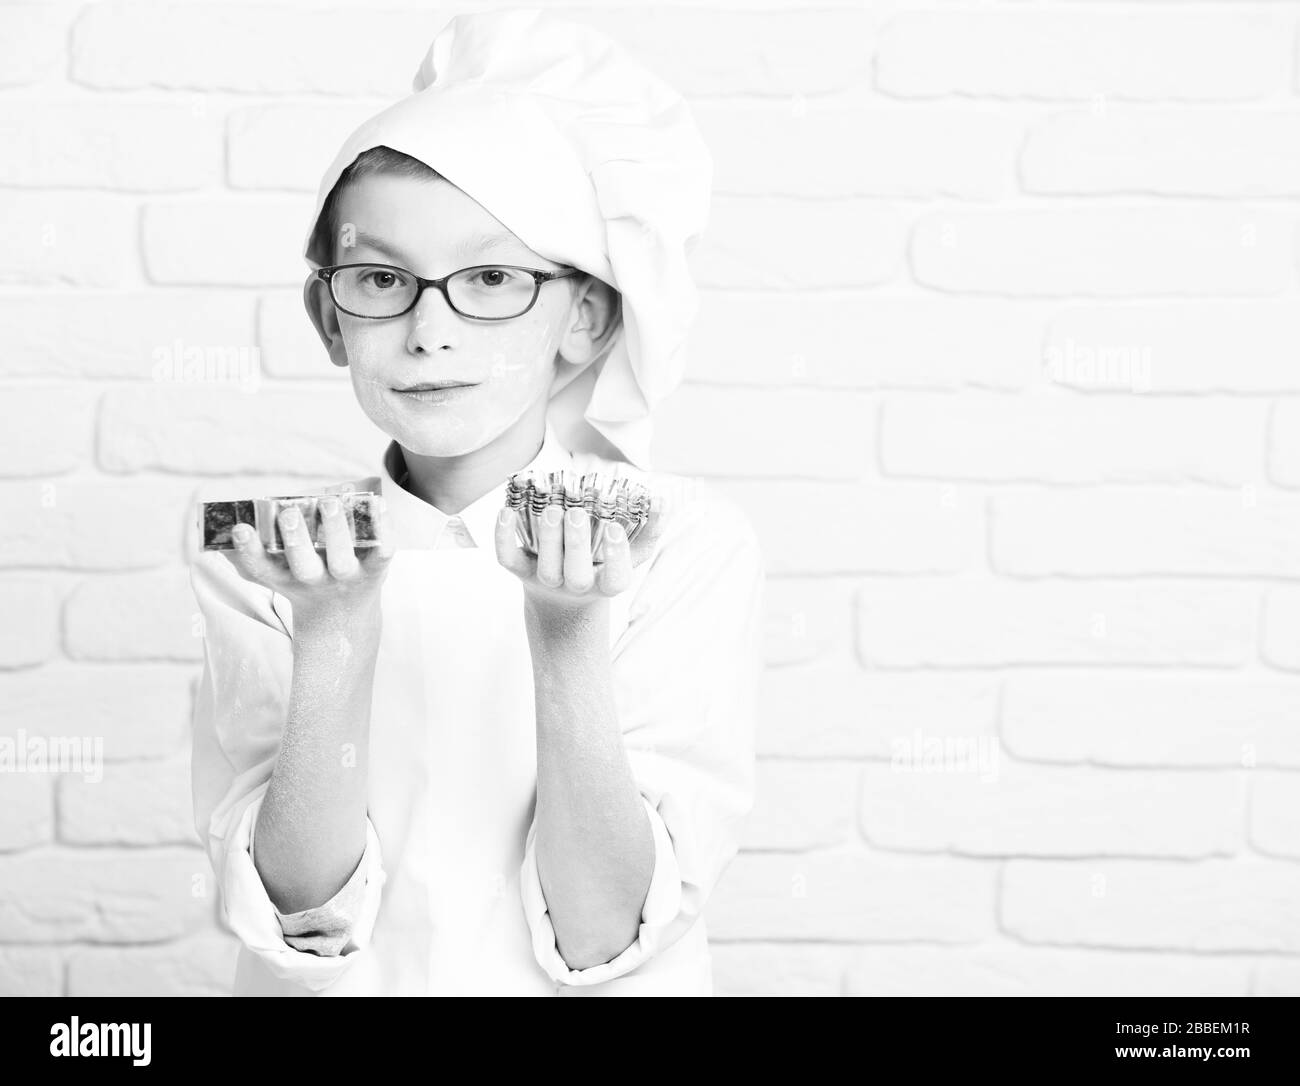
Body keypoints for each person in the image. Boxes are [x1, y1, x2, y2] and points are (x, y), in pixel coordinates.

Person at [189, 7, 765, 996]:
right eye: (380, 279)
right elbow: (303, 914)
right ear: (330, 317)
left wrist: (569, 631)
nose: (429, 331)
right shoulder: (268, 554)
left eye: (491, 277)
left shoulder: (683, 544)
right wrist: (330, 632)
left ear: (584, 317)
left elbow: (601, 934)